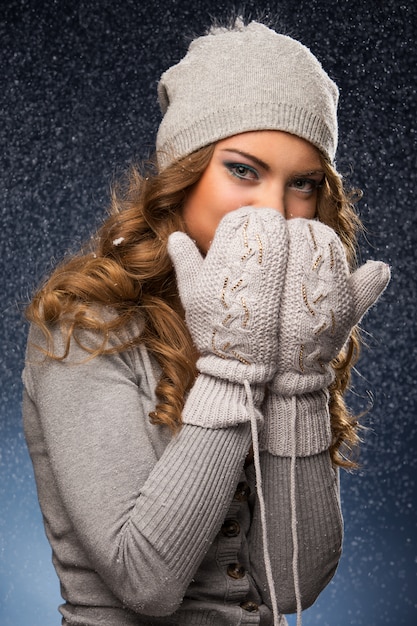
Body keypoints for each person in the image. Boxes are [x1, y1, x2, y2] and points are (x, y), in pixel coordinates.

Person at [22, 17, 390, 626]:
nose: (272, 210)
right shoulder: (85, 324)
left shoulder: (294, 322)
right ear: (182, 174)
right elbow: (145, 581)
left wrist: (302, 377)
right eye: (243, 170)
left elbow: (292, 587)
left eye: (301, 184)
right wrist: (234, 367)